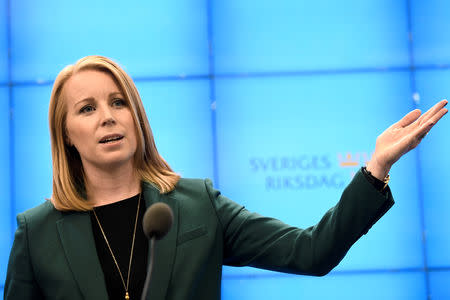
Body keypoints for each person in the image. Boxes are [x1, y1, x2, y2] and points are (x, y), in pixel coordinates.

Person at [4, 55, 448, 300]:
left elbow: (311, 252)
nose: (107, 117)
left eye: (118, 102)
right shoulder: (38, 232)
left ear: (137, 116)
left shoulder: (197, 204)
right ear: (66, 134)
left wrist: (376, 169)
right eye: (87, 108)